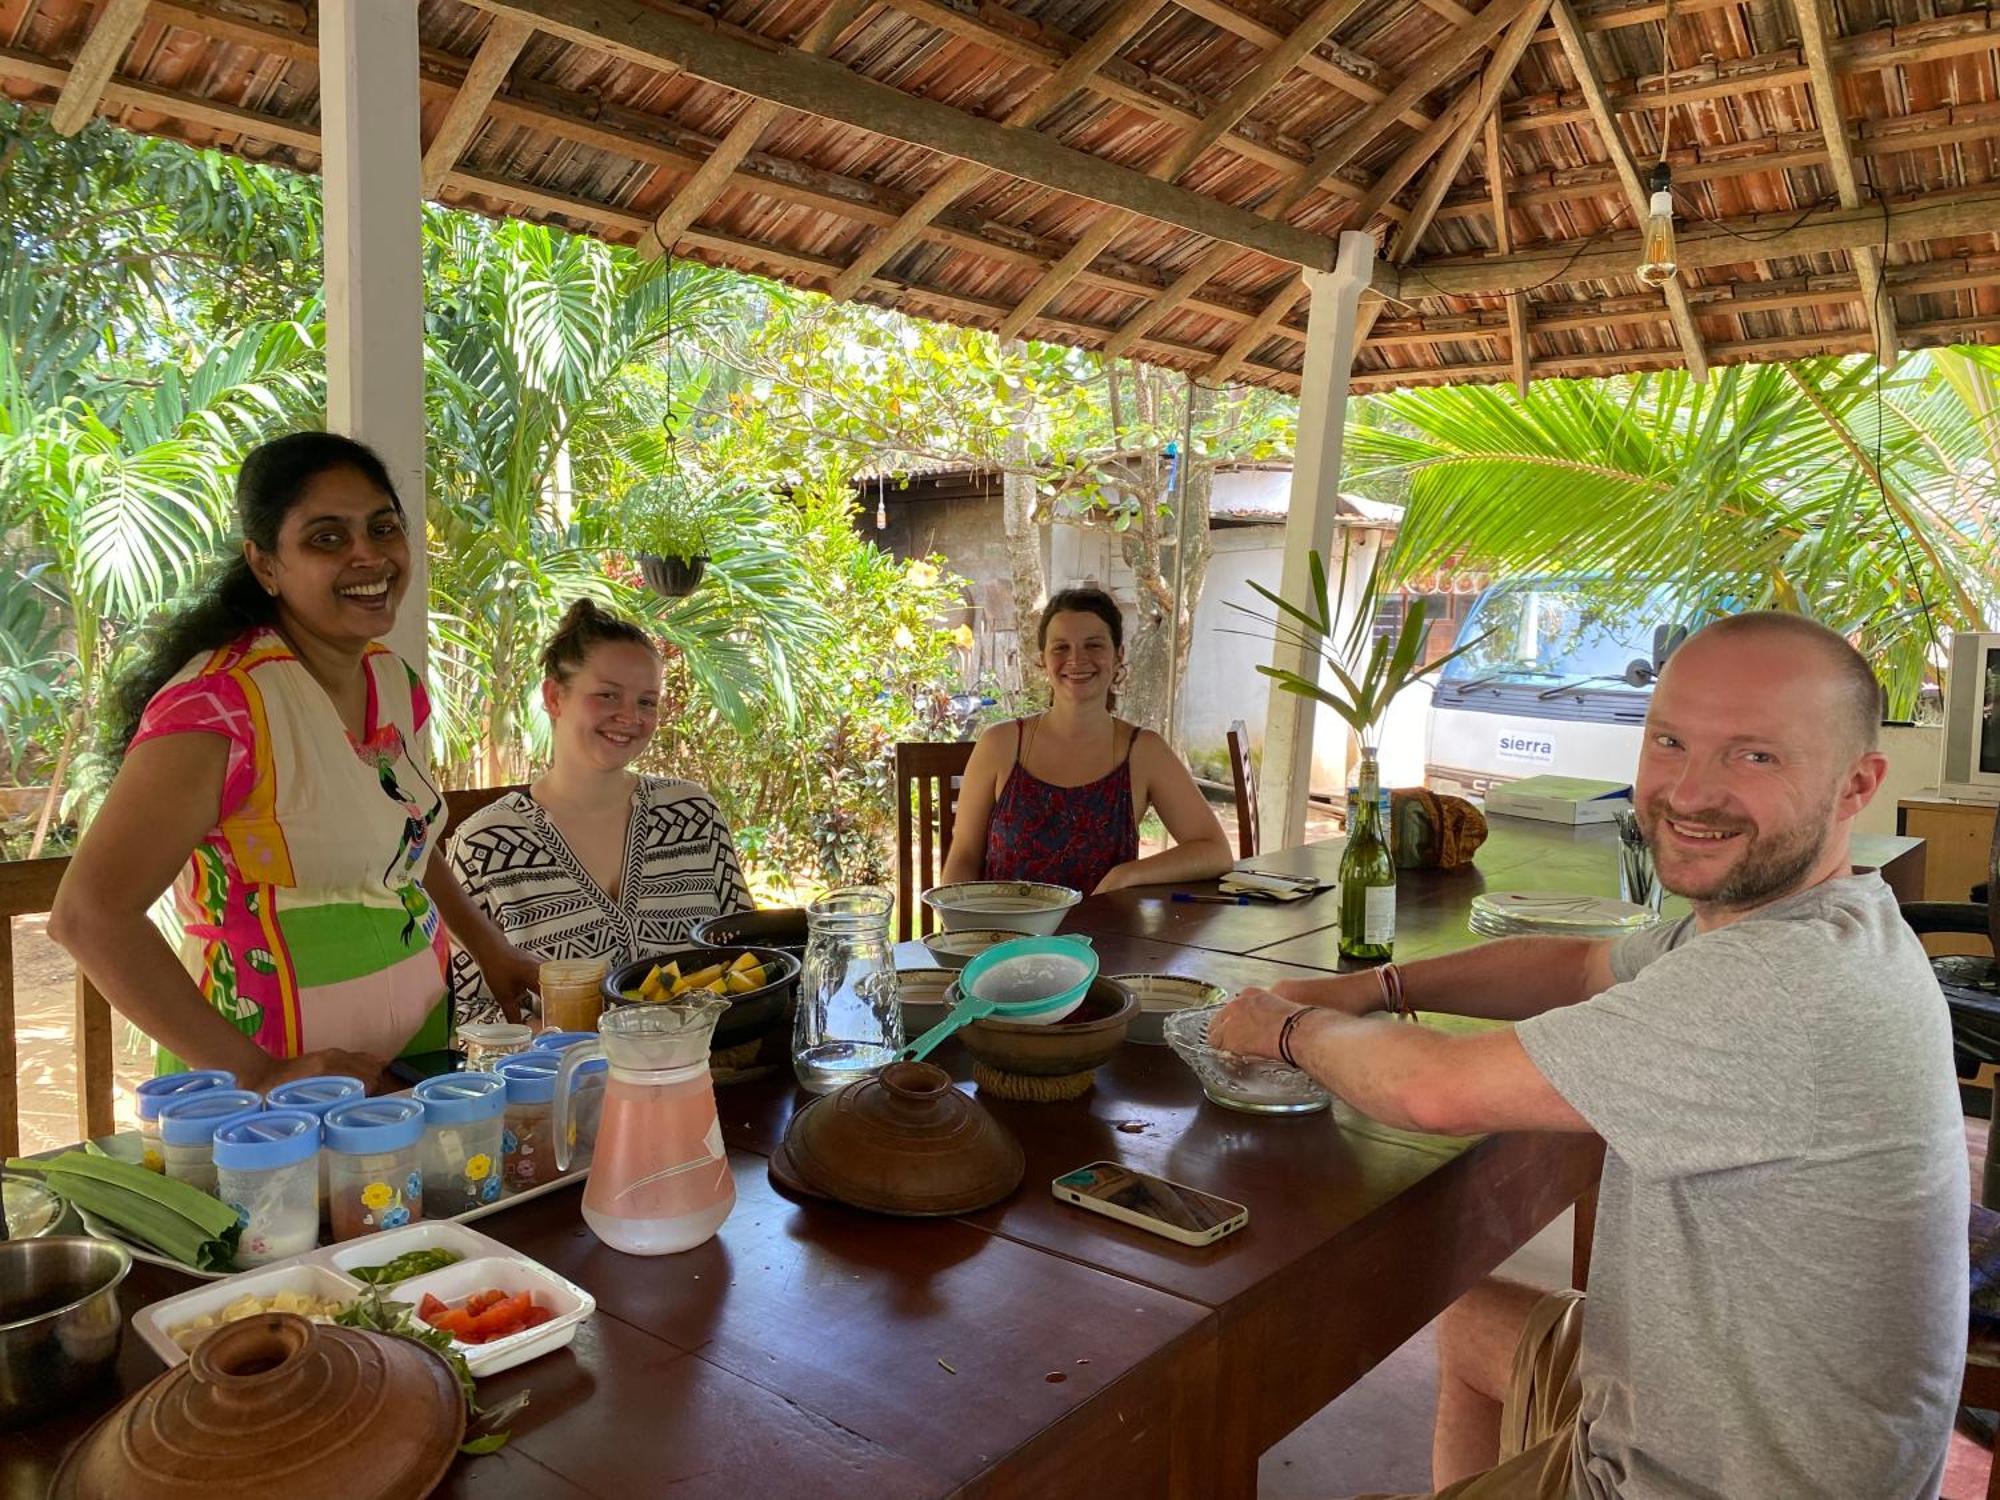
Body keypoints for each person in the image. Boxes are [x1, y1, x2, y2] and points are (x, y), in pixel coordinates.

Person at [1211, 612, 1965, 1499]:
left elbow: (1434, 1092)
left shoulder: (1788, 981)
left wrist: (1286, 1031)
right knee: (1475, 1327)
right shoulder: (1807, 923)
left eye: (1754, 755)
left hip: (1718, 1482)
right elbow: (1577, 964)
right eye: (1670, 741)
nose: (1689, 792)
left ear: (1855, 785)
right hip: (1707, 1413)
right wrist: (1367, 991)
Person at [51, 432, 542, 1094]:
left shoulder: (390, 679)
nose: (369, 554)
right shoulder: (222, 706)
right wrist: (260, 1074)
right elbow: (88, 916)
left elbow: (408, 840)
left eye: (383, 527)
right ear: (266, 565)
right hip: (267, 1101)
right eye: (327, 538)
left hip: (404, 1065)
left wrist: (492, 950)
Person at [448, 599, 752, 1025]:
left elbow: (747, 957)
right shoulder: (484, 846)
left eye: (647, 702)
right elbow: (467, 1011)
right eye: (608, 695)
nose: (630, 716)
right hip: (559, 1085)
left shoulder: (692, 814)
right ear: (554, 697)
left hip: (705, 1075)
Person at [942, 586, 1234, 896]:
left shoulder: (1143, 751)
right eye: (1061, 647)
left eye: (1093, 645)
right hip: (1006, 939)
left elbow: (1214, 850)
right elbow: (964, 857)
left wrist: (1128, 873)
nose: (1076, 659)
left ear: (1118, 655)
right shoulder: (1000, 744)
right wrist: (964, 929)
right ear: (1042, 659)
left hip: (1103, 942)